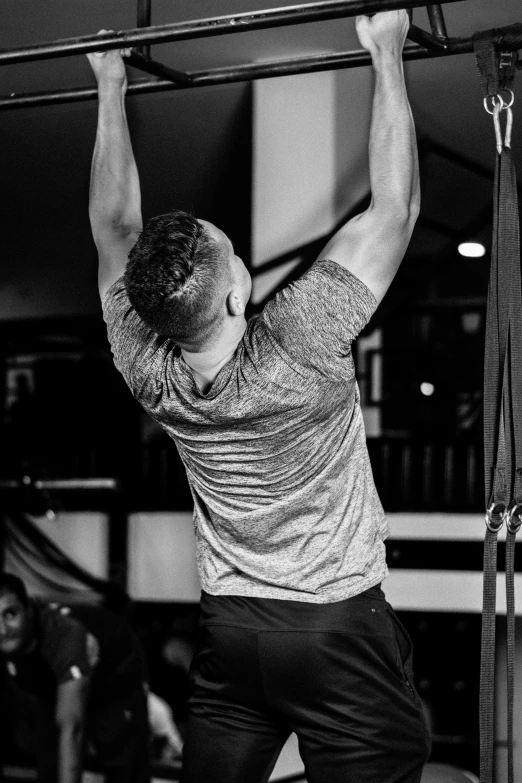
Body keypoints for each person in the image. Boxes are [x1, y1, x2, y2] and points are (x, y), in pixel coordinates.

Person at [88, 10, 431, 783]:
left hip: (233, 632)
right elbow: (396, 211)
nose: (239, 254)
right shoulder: (301, 336)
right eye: (234, 253)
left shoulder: (145, 361)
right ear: (238, 296)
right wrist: (385, 51)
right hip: (336, 630)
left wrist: (109, 81)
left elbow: (113, 227)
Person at [0, 573, 150, 783]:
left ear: (29, 609)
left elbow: (72, 730)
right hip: (53, 684)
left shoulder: (63, 635)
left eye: (10, 614)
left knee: (122, 762)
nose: (2, 630)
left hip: (115, 680)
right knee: (49, 762)